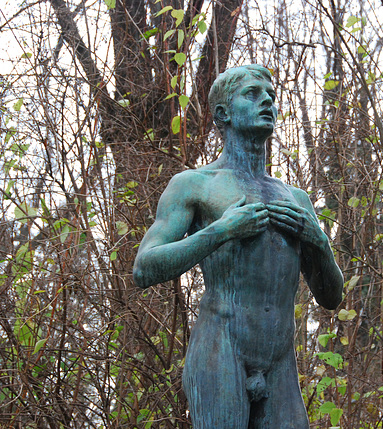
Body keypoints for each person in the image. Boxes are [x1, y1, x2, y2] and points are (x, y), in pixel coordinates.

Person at [133, 64, 343, 428]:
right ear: (223, 114)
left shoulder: (296, 199)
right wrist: (220, 231)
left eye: (272, 97)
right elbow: (144, 268)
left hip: (280, 359)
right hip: (221, 348)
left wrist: (320, 242)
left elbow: (331, 297)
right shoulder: (195, 184)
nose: (268, 102)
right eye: (252, 93)